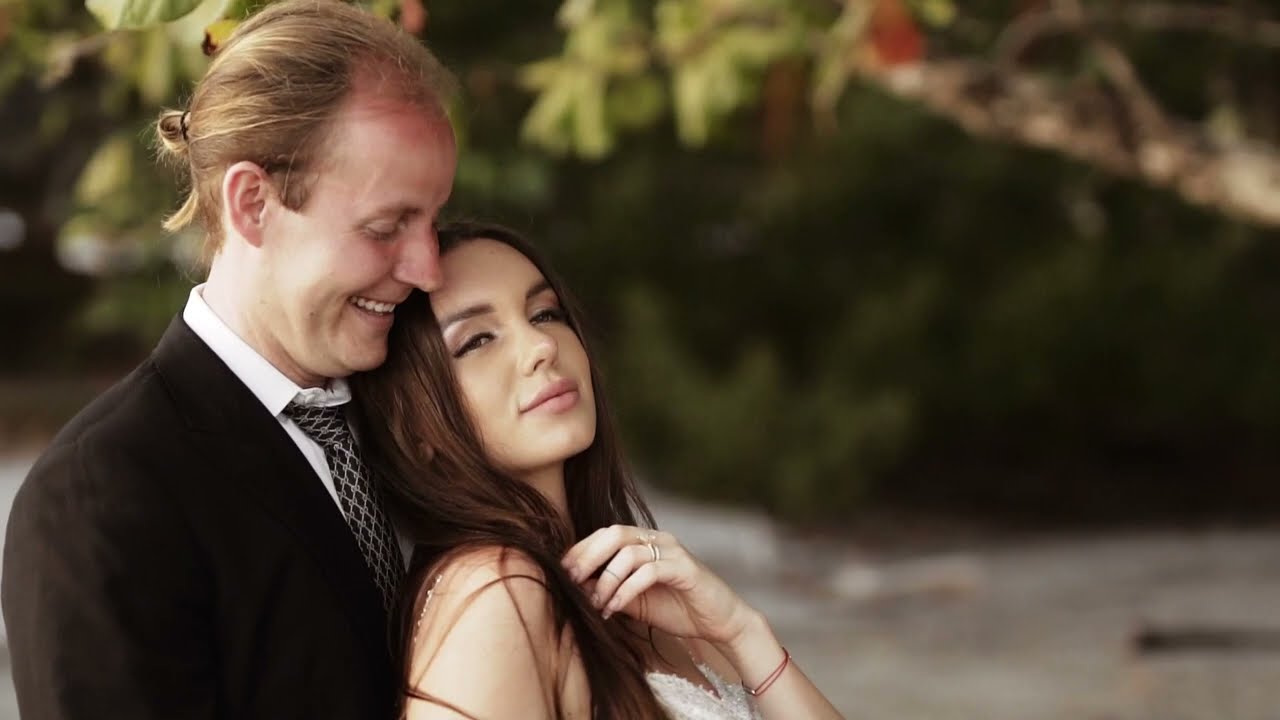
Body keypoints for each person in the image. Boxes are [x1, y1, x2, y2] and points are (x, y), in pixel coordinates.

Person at [1, 2, 457, 717]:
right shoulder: (101, 497)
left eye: (433, 221)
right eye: (387, 225)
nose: (428, 267)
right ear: (253, 205)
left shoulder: (427, 405)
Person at [351, 222, 845, 719]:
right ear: (413, 427)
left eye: (545, 313)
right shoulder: (495, 591)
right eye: (477, 340)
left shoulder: (644, 594)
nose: (541, 346)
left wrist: (742, 632)